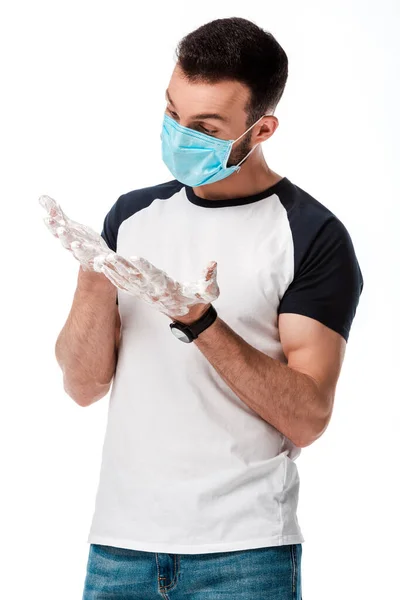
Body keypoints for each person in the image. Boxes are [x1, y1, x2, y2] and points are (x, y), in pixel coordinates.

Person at [48, 17, 363, 600]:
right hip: (121, 547)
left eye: (204, 127)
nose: (178, 134)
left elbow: (309, 416)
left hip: (244, 555)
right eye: (172, 113)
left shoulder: (310, 235)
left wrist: (200, 321)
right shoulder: (132, 216)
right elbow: (82, 384)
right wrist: (93, 276)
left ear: (261, 128)